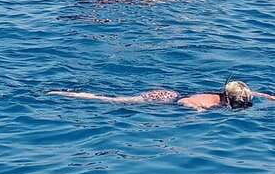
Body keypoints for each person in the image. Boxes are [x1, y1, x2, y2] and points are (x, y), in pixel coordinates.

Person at [47, 80, 275, 111]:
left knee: (116, 99)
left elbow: (250, 92)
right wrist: (197, 112)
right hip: (166, 98)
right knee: (112, 101)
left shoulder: (224, 95)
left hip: (170, 94)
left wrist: (268, 97)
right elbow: (186, 102)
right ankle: (64, 94)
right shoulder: (211, 102)